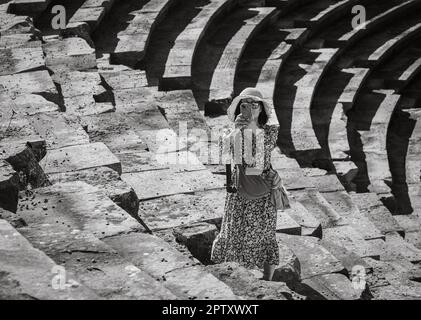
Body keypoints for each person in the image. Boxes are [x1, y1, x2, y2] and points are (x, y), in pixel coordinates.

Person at [210, 87, 288, 281]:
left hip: (263, 188)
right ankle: (233, 276)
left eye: (255, 106)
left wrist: (250, 127)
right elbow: (224, 154)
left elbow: (260, 154)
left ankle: (267, 280)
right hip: (239, 189)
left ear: (262, 110)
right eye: (246, 106)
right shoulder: (233, 130)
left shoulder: (269, 131)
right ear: (240, 108)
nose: (251, 110)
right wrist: (237, 131)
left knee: (265, 234)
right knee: (234, 232)